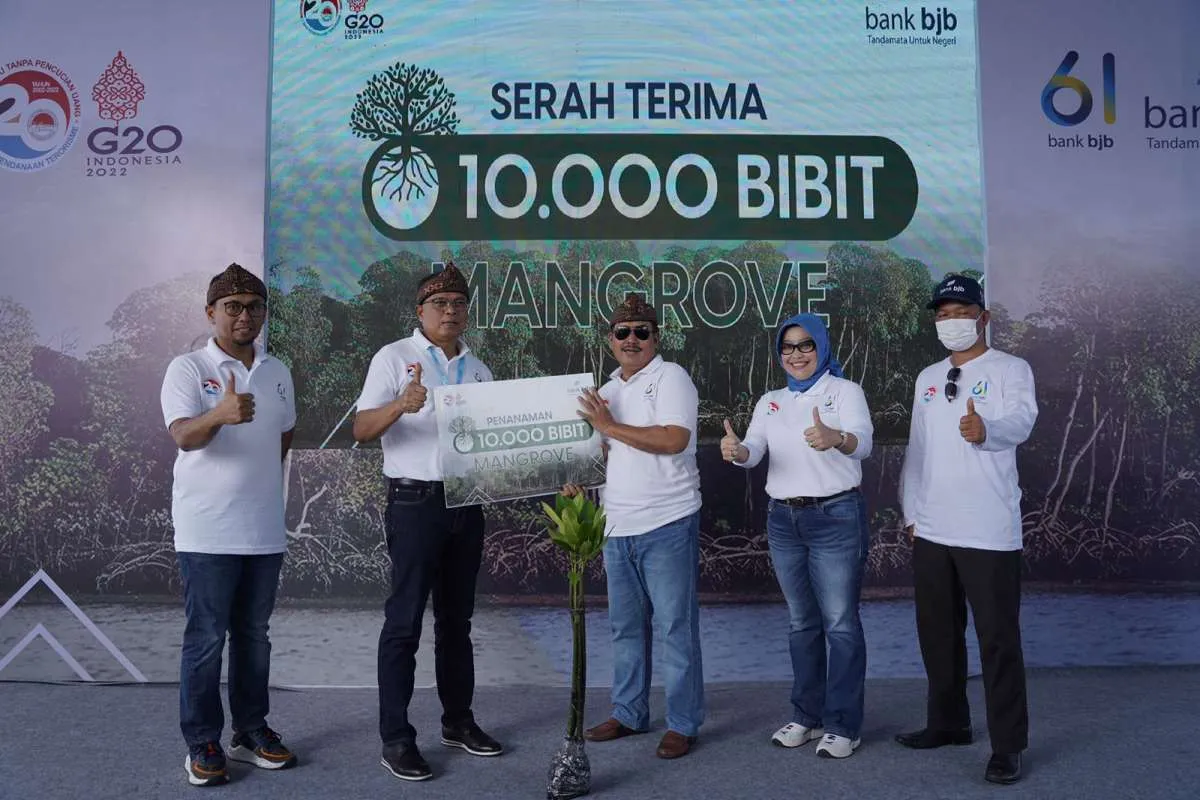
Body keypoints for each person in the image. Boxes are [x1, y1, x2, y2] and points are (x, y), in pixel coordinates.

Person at [353, 263, 501, 782]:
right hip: (416, 503)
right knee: (404, 623)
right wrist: (401, 403)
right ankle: (396, 738)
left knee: (456, 623)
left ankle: (458, 722)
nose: (451, 311)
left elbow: (495, 442)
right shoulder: (395, 358)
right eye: (440, 304)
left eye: (459, 303)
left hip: (467, 504)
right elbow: (362, 428)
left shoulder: (479, 369)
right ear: (420, 311)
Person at [160, 263, 298, 786]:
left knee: (254, 637)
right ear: (211, 313)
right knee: (205, 640)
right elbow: (183, 436)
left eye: (254, 306)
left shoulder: (277, 369)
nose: (245, 316)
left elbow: (283, 435)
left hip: (263, 527)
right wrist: (220, 414)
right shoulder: (188, 368)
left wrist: (259, 481)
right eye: (233, 307)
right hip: (207, 529)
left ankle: (251, 730)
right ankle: (202, 742)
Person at [896, 273, 1037, 785]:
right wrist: (911, 511)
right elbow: (918, 448)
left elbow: (1022, 421)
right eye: (942, 313)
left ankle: (1008, 745)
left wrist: (987, 431)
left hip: (989, 530)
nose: (951, 321)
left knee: (998, 639)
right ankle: (949, 722)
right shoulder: (927, 377)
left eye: (960, 311)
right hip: (932, 526)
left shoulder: (1010, 369)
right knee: (938, 634)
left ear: (984, 317)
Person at [720, 313, 873, 759]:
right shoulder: (770, 400)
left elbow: (864, 443)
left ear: (821, 348)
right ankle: (807, 716)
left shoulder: (846, 392)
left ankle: (844, 725)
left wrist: (836, 438)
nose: (797, 354)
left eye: (806, 345)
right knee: (800, 622)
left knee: (840, 624)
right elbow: (753, 452)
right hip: (783, 520)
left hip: (836, 517)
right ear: (779, 354)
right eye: (788, 347)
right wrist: (737, 452)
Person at [569, 292, 705, 760]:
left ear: (655, 338)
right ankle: (629, 712)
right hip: (616, 524)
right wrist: (579, 483)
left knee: (675, 627)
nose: (632, 339)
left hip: (667, 520)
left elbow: (674, 439)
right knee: (625, 627)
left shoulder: (672, 377)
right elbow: (601, 454)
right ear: (610, 340)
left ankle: (684, 722)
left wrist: (607, 425)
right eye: (623, 332)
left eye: (642, 332)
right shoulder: (605, 391)